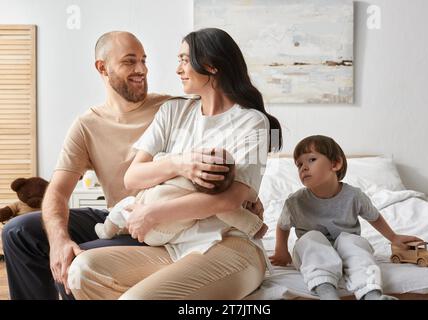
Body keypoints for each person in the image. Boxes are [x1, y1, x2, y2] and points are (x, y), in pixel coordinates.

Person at [67, 27, 283, 300]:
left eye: (183, 59)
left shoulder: (253, 123)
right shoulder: (173, 111)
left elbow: (230, 200)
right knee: (83, 270)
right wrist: (181, 164)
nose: (178, 69)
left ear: (211, 66)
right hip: (172, 247)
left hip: (231, 245)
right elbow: (132, 177)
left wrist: (155, 213)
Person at [2, 31, 177, 300]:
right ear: (102, 67)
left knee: (78, 257)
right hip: (114, 219)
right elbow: (57, 193)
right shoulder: (86, 125)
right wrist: (59, 240)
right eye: (130, 61)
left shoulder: (172, 109)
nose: (141, 69)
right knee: (18, 231)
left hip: (159, 224)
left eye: (144, 60)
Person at [269, 135, 422, 300]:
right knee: (310, 238)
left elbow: (374, 217)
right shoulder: (295, 201)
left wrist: (393, 237)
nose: (303, 168)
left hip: (346, 248)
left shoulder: (354, 195)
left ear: (335, 164)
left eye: (311, 159)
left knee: (354, 243)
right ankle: (327, 293)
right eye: (299, 164)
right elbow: (282, 225)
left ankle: (372, 295)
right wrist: (281, 250)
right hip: (313, 253)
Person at [95, 151, 268, 245]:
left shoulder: (186, 173)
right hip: (164, 236)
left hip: (145, 216)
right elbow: (233, 214)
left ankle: (107, 231)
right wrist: (258, 227)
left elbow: (161, 157)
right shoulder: (211, 203)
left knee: (123, 207)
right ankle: (125, 228)